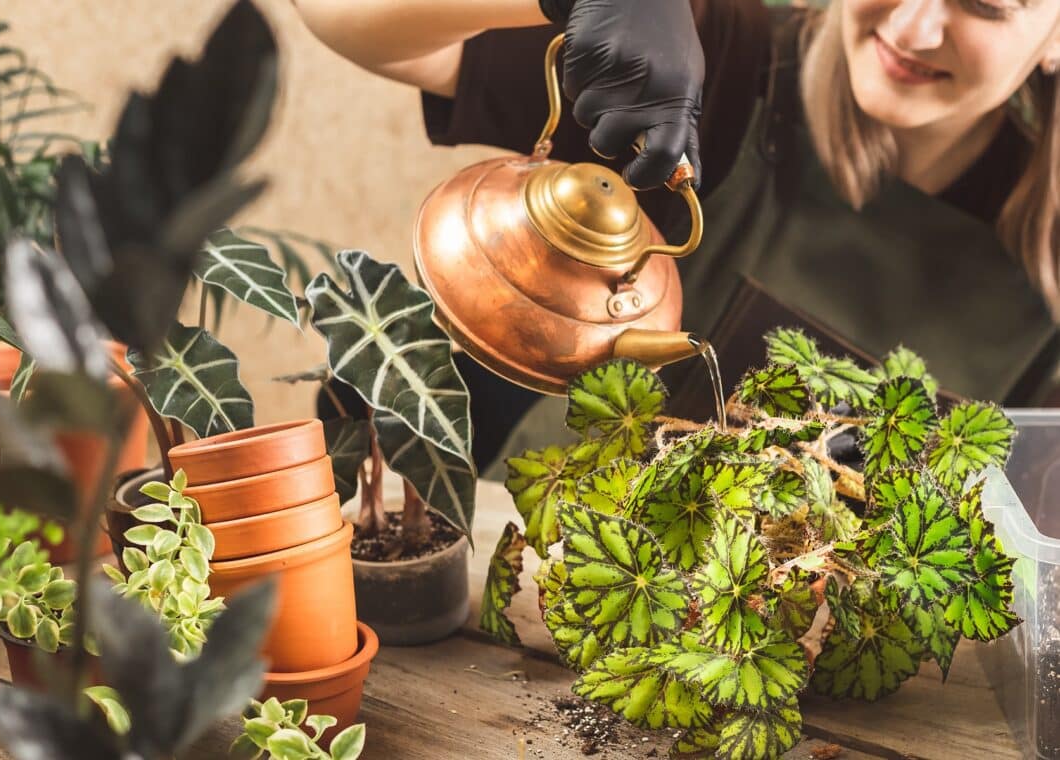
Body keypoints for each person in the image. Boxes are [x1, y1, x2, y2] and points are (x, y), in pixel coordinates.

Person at [294, 0, 1060, 473]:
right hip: (522, 610)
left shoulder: (1045, 271)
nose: (910, 23)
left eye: (986, 3)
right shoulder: (720, 64)